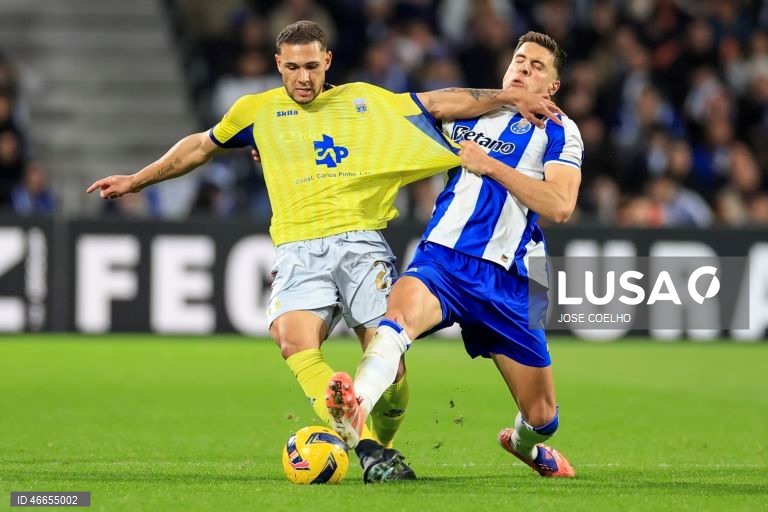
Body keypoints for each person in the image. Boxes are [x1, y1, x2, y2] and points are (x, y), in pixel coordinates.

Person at [86, 21, 562, 483]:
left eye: (312, 66)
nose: (303, 77)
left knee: (392, 369)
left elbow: (439, 102)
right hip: (297, 249)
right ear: (278, 64)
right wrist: (136, 180)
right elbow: (200, 147)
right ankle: (369, 448)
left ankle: (383, 444)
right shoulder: (256, 112)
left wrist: (507, 96)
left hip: (362, 244)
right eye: (293, 67)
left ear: (327, 61)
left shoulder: (364, 101)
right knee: (292, 339)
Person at [327, 31, 582, 479]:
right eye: (519, 60)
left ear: (553, 87)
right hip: (443, 257)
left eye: (537, 66)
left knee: (543, 418)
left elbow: (559, 206)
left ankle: (526, 446)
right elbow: (394, 115)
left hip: (516, 280)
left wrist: (490, 166)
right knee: (396, 323)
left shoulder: (562, 131)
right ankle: (356, 406)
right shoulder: (472, 113)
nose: (523, 69)